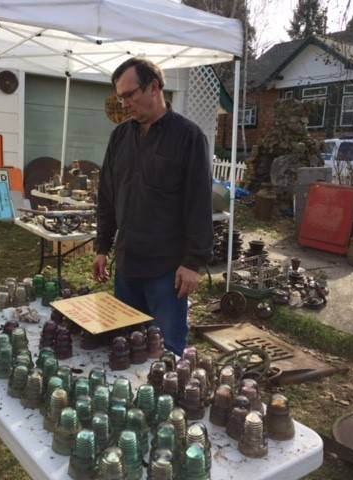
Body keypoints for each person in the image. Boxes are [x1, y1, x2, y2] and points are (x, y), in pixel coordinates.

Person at [92, 58, 213, 354]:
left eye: (129, 95)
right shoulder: (120, 136)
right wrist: (101, 247)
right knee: (127, 346)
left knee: (165, 351)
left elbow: (199, 204)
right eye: (120, 98)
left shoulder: (189, 137)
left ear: (154, 87)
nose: (124, 104)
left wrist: (192, 263)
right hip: (127, 264)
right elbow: (107, 195)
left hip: (167, 270)